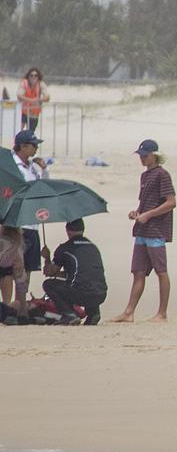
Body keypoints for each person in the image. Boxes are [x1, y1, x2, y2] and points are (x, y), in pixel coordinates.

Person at [112, 139, 176, 323]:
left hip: (156, 230)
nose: (142, 159)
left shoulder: (162, 175)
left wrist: (149, 215)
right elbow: (146, 202)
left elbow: (171, 202)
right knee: (138, 271)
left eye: (145, 156)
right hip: (142, 229)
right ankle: (129, 311)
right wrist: (138, 213)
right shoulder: (145, 176)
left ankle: (162, 313)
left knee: (161, 271)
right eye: (140, 155)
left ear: (154, 156)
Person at [42, 218, 108, 325]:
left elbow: (49, 272)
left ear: (67, 230)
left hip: (81, 293)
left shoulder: (64, 248)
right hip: (100, 293)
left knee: (49, 284)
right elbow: (79, 272)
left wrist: (47, 258)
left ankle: (68, 314)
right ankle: (93, 313)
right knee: (88, 279)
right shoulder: (93, 247)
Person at [11, 130, 45, 287]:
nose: (36, 148)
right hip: (16, 224)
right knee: (11, 268)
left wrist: (44, 170)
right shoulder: (11, 165)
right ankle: (9, 304)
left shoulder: (32, 167)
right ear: (23, 146)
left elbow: (43, 189)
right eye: (33, 145)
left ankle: (21, 304)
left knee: (28, 267)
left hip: (32, 222)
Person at [0, 226, 30, 324]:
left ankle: (7, 308)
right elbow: (20, 277)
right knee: (7, 275)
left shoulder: (12, 244)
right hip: (6, 272)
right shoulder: (15, 245)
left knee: (6, 275)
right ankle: (7, 308)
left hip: (5, 272)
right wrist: (23, 307)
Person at [17, 68, 49, 133]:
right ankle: (17, 143)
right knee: (18, 131)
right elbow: (19, 96)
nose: (33, 77)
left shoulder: (41, 84)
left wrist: (39, 100)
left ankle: (28, 142)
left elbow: (47, 97)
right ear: (28, 76)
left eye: (35, 75)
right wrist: (31, 100)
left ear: (38, 76)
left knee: (30, 133)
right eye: (31, 75)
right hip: (23, 111)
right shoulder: (24, 83)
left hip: (34, 113)